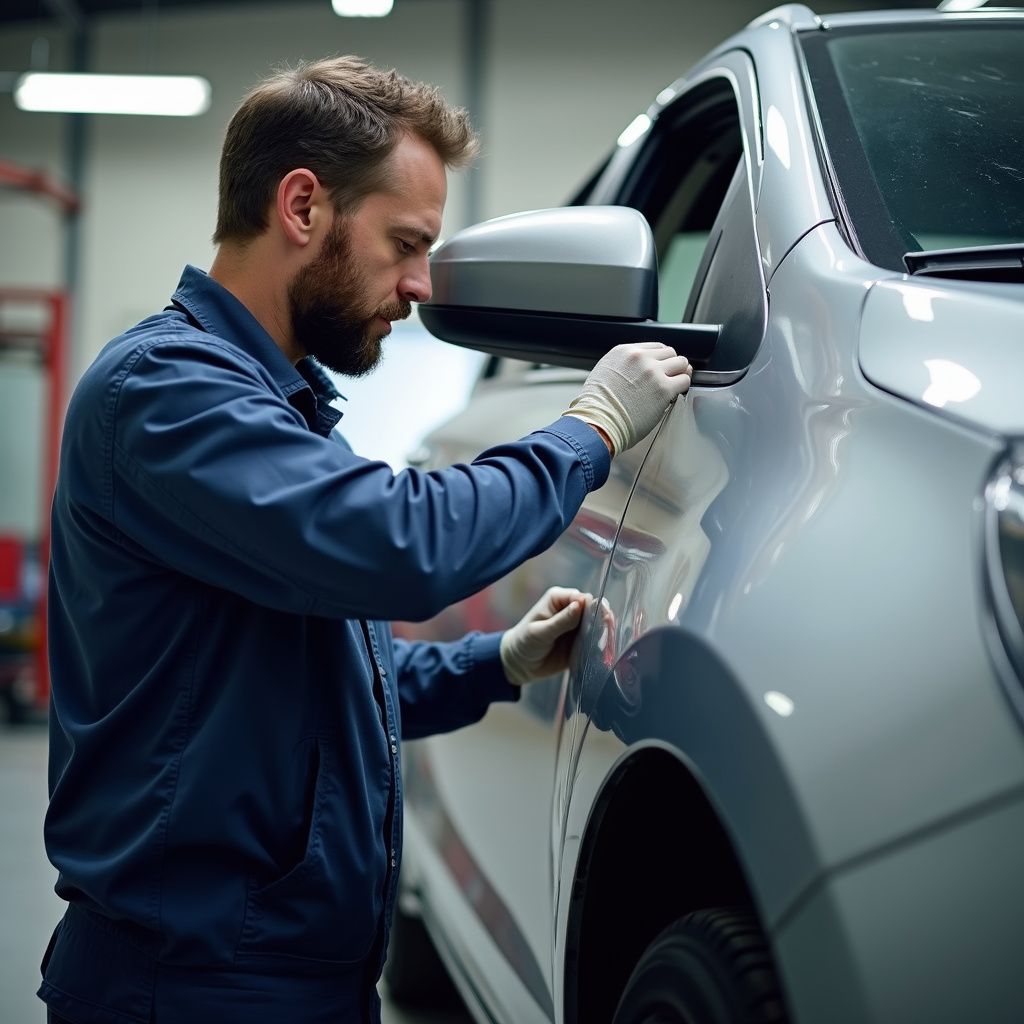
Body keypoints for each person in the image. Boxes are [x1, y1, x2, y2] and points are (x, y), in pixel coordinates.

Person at [38, 56, 692, 1024]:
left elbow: (305, 682)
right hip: (194, 982)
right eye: (405, 242)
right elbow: (399, 544)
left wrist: (494, 662)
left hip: (276, 965)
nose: (422, 284)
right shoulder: (168, 393)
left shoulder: (278, 405)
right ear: (301, 206)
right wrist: (588, 427)